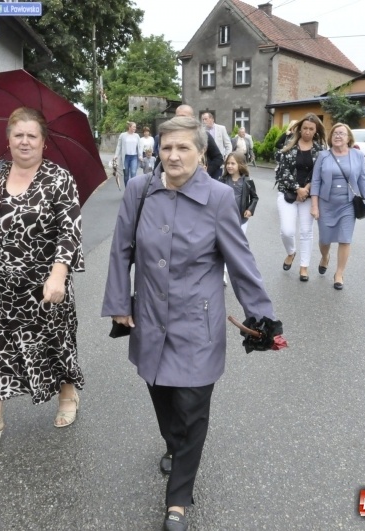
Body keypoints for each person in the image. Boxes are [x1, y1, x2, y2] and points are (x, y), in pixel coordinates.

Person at [102, 116, 280, 531]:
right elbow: (121, 249)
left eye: (183, 147)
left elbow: (240, 261)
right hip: (149, 317)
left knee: (192, 408)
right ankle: (174, 444)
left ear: (201, 153)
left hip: (198, 322)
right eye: (166, 147)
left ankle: (178, 499)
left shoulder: (219, 197)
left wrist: (263, 317)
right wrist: (118, 303)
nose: (173, 155)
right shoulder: (139, 190)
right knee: (162, 396)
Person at [0, 107, 85, 446]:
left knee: (57, 342)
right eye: (18, 135)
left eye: (32, 136)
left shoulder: (59, 178)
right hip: (4, 286)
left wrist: (58, 275)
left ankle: (68, 395)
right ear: (9, 140)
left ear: (44, 142)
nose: (25, 141)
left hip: (46, 284)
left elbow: (70, 231)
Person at [310, 123, 365, 290]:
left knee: (345, 239)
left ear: (348, 138)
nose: (338, 136)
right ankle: (325, 257)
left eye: (341, 133)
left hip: (348, 204)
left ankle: (339, 273)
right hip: (326, 203)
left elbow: (363, 179)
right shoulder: (323, 156)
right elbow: (316, 181)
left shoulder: (357, 155)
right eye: (335, 133)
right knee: (324, 239)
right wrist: (314, 205)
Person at [275, 113, 326, 282]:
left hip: (309, 196)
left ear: (316, 130)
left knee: (306, 231)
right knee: (287, 231)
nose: (307, 132)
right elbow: (282, 171)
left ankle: (304, 266)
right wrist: (297, 189)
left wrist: (307, 189)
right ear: (300, 129)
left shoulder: (320, 150)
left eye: (311, 129)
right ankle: (291, 252)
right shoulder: (289, 146)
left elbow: (320, 173)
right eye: (305, 128)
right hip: (287, 193)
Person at [221, 152, 259, 285]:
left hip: (241, 220)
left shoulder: (247, 181)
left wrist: (250, 209)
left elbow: (255, 198)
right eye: (228, 163)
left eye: (233, 163)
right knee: (224, 245)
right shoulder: (222, 180)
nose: (229, 166)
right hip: (225, 220)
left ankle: (240, 271)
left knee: (236, 246)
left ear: (240, 165)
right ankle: (223, 273)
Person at [114, 121, 140, 187]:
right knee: (126, 174)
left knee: (133, 173)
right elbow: (119, 146)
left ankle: (133, 189)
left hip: (134, 157)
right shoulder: (123, 135)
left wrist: (140, 156)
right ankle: (127, 189)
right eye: (134, 127)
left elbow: (139, 146)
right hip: (126, 157)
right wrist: (116, 155)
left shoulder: (137, 136)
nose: (135, 128)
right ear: (129, 127)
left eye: (135, 127)